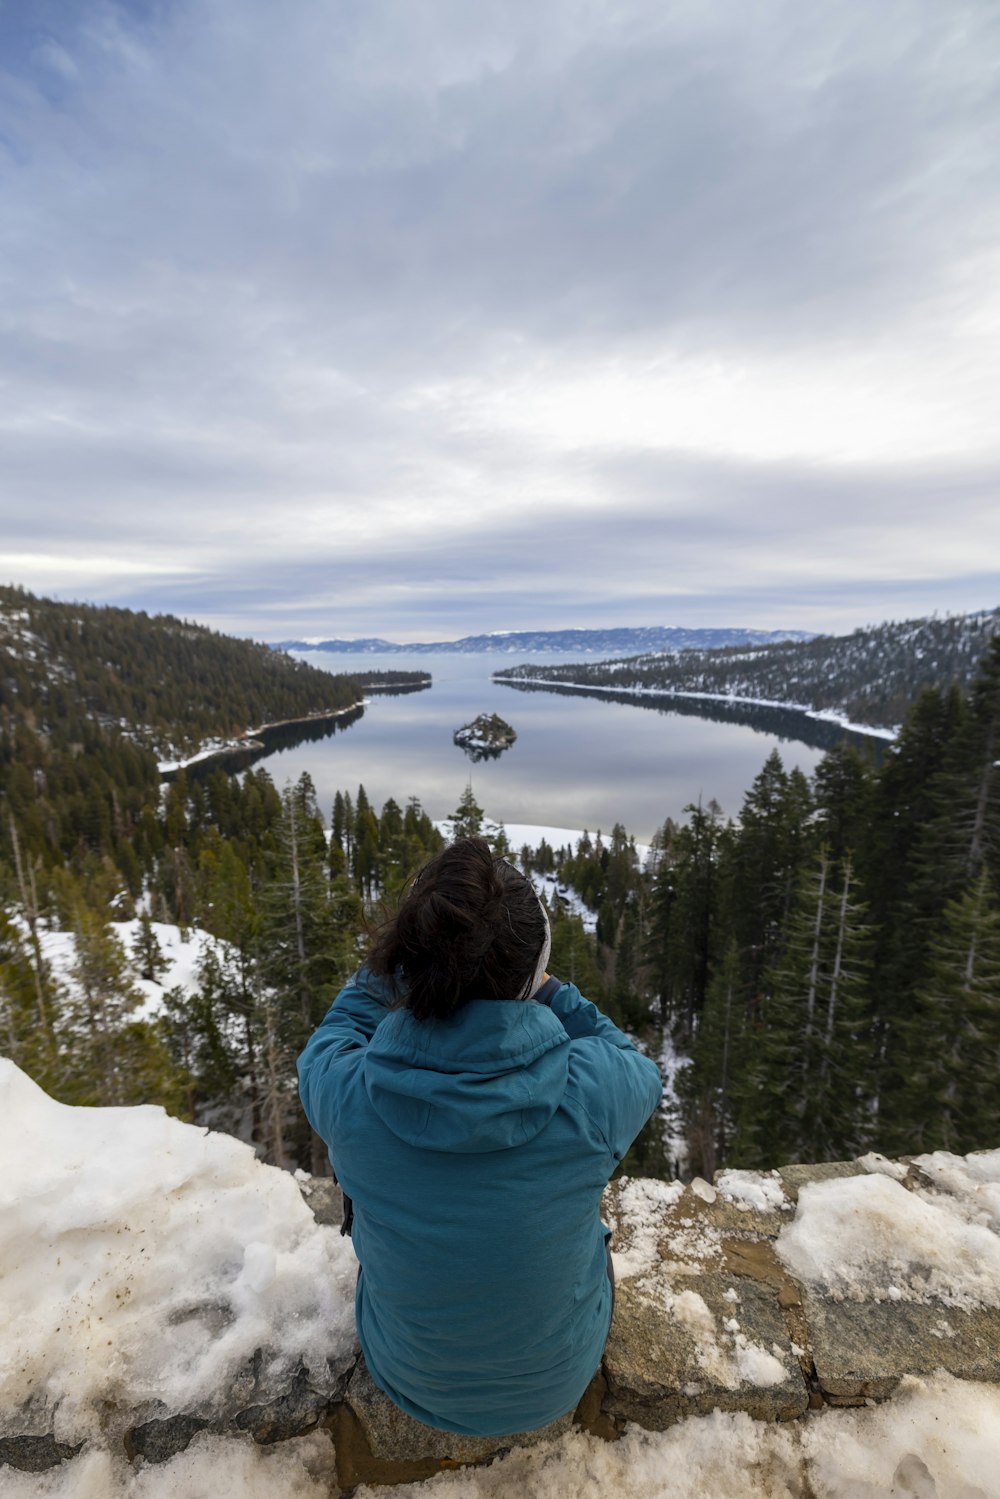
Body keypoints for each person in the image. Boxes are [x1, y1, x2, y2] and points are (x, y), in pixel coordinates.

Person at [297, 836, 661, 1437]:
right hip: (559, 1380)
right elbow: (635, 1062)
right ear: (531, 974)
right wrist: (550, 991)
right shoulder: (590, 1092)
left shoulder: (347, 1091)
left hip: (406, 1377)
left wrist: (394, 970)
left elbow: (334, 1034)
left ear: (408, 961)